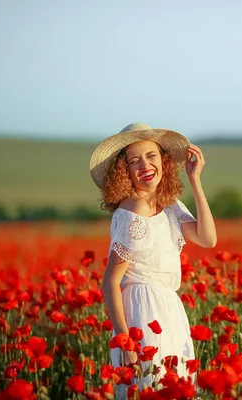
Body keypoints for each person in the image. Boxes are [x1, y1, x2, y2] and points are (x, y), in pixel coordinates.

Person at [89, 123, 217, 395]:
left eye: (151, 156)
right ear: (124, 171)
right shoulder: (131, 211)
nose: (145, 165)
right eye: (134, 161)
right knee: (150, 387)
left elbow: (208, 239)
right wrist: (125, 340)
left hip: (169, 309)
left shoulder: (170, 205)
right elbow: (111, 282)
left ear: (163, 161)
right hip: (141, 312)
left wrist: (195, 181)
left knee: (171, 387)